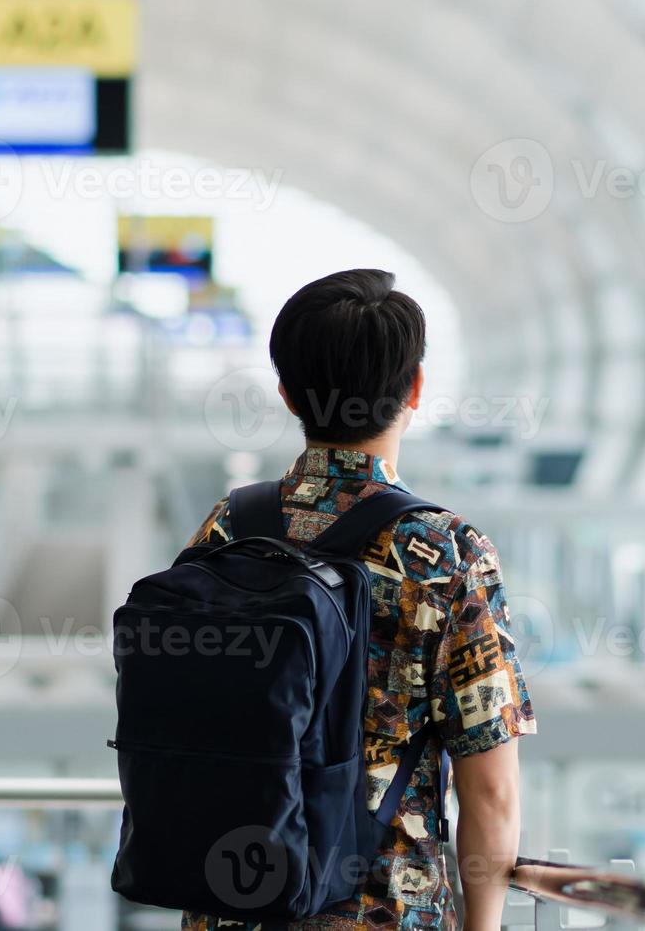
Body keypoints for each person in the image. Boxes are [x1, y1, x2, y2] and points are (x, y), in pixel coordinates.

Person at [181, 269, 536, 930]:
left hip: (232, 900)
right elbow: (491, 790)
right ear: (417, 389)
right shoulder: (449, 552)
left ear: (287, 394)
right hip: (383, 911)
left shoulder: (226, 528)